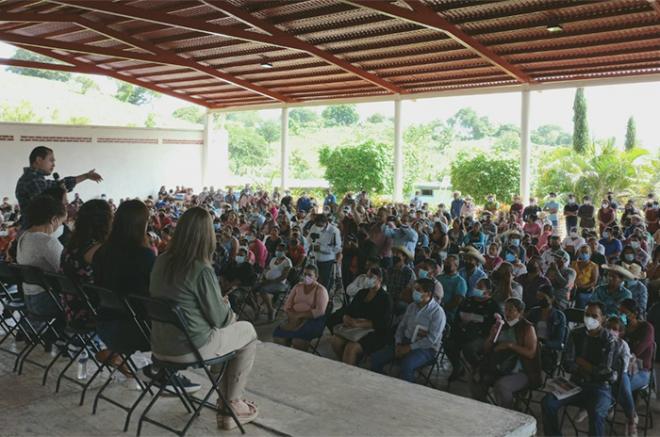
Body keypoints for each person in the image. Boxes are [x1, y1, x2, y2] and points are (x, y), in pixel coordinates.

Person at [148, 207, 258, 430]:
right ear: (208, 235)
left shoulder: (160, 261)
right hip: (190, 347)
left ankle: (226, 401)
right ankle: (232, 403)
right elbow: (220, 319)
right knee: (247, 332)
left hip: (160, 346)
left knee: (229, 337)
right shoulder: (200, 269)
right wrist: (227, 308)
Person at [93, 200, 201, 393]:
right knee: (179, 320)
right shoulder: (144, 256)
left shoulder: (102, 252)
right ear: (141, 224)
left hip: (103, 325)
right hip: (135, 331)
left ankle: (148, 366)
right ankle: (164, 373)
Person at [542, 302, 616, 437]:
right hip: (575, 383)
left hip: (600, 387)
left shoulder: (609, 339)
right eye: (587, 315)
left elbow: (605, 372)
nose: (589, 318)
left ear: (603, 318)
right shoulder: (575, 333)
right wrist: (588, 369)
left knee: (597, 411)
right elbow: (567, 363)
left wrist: (582, 363)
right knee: (548, 402)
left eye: (594, 316)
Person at [370, 278, 446, 383]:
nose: (414, 292)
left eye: (418, 290)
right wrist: (398, 344)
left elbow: (431, 340)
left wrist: (409, 348)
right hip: (405, 342)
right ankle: (384, 384)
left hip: (426, 349)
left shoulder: (437, 313)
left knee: (407, 365)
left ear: (428, 293)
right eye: (414, 289)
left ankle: (408, 394)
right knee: (375, 358)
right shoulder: (412, 306)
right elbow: (401, 327)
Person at [470, 298, 540, 410]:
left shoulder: (527, 328)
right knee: (476, 380)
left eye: (511, 310)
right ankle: (486, 409)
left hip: (521, 370)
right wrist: (492, 336)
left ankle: (508, 412)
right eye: (505, 309)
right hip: (499, 366)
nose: (506, 313)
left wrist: (510, 345)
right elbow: (487, 349)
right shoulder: (502, 325)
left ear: (520, 312)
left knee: (501, 386)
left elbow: (531, 353)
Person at [15, 146, 102, 226]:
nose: (53, 165)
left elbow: (61, 184)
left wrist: (86, 176)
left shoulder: (37, 179)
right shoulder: (32, 180)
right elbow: (45, 209)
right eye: (51, 160)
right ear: (39, 160)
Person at [16, 195, 67, 318]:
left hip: (29, 299)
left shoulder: (24, 236)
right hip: (48, 301)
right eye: (61, 222)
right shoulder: (47, 241)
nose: (60, 226)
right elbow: (66, 272)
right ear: (54, 219)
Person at [329, 267, 392, 366]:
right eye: (367, 276)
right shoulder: (362, 293)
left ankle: (349, 369)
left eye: (371, 277)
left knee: (351, 348)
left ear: (379, 279)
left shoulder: (385, 298)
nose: (367, 279)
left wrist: (359, 324)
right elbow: (349, 309)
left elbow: (383, 323)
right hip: (354, 329)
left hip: (373, 333)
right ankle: (346, 365)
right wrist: (346, 317)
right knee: (335, 341)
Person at [447, 277, 502, 381]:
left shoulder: (493, 305)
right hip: (463, 332)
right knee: (449, 344)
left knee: (469, 348)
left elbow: (494, 325)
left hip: (481, 336)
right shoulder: (467, 301)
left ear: (488, 291)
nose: (476, 288)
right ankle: (457, 367)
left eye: (480, 287)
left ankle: (479, 368)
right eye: (476, 286)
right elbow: (457, 317)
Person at [618, 299, 655, 437]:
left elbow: (636, 351)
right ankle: (632, 416)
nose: (621, 315)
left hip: (642, 371)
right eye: (619, 312)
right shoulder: (622, 328)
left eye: (624, 313)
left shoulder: (647, 328)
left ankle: (631, 419)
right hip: (624, 370)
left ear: (634, 314)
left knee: (618, 384)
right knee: (620, 380)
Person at [273, 265, 329, 351]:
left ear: (316, 277)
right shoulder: (298, 287)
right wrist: (291, 314)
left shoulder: (321, 290)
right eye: (304, 274)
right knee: (278, 338)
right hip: (293, 318)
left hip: (312, 320)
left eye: (309, 275)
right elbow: (287, 305)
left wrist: (299, 315)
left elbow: (320, 311)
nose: (306, 277)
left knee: (298, 342)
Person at [526, 285, 567, 377]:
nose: (539, 299)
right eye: (538, 296)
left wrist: (544, 345)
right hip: (532, 343)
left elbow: (559, 341)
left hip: (547, 348)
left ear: (551, 299)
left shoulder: (559, 316)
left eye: (542, 297)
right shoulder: (533, 312)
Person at [257, 243, 292, 321]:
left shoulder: (287, 262)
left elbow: (284, 276)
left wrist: (271, 282)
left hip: (280, 283)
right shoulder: (273, 259)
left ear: (285, 251)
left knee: (263, 289)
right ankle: (257, 307)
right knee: (254, 286)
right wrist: (263, 278)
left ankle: (271, 309)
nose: (278, 251)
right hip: (269, 280)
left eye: (280, 250)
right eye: (277, 250)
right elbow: (267, 269)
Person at [308, 213, 342, 292]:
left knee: (324, 283)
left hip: (327, 261)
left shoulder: (334, 231)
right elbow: (308, 239)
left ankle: (323, 298)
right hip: (314, 259)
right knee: (310, 279)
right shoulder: (314, 227)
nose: (318, 227)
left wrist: (321, 248)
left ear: (325, 222)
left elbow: (337, 248)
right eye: (317, 225)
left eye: (320, 225)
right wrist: (312, 245)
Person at [572, 244, 600, 309]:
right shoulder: (574, 263)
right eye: (582, 252)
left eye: (586, 252)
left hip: (585, 290)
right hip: (572, 288)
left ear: (590, 254)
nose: (584, 254)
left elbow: (594, 281)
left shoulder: (594, 266)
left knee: (580, 298)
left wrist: (583, 287)